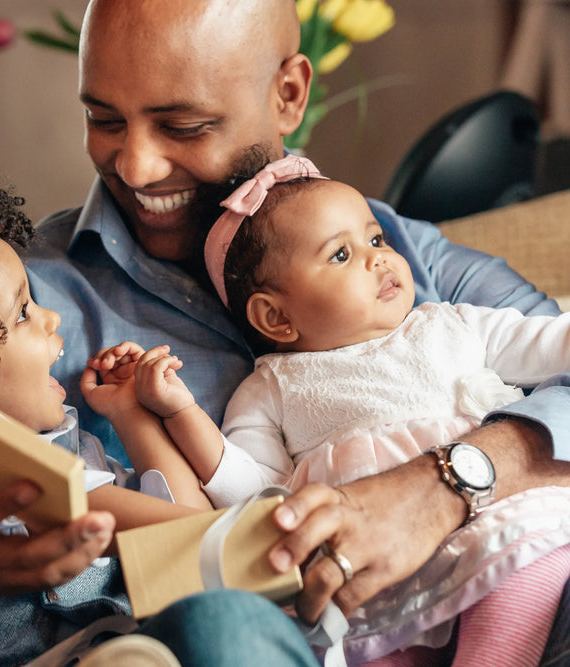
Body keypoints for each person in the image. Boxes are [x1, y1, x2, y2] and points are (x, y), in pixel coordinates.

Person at [0, 0, 570, 663]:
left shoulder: (397, 252)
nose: (137, 167)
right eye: (105, 118)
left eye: (183, 125)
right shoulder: (1, 295)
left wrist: (449, 479)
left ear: (288, 94)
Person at [88, 154, 570, 665]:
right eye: (341, 255)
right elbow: (252, 493)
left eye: (376, 239)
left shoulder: (453, 325)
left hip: (490, 516)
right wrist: (181, 409)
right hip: (365, 569)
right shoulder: (268, 388)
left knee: (526, 567)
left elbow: (550, 342)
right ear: (274, 316)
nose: (378, 258)